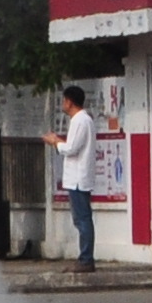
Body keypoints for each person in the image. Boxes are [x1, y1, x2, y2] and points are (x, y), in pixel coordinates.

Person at [53, 84, 103, 270]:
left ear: (69, 101)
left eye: (64, 100)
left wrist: (55, 142)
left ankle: (86, 258)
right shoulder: (82, 120)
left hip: (78, 178)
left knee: (82, 219)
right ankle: (85, 257)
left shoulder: (80, 120)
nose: (62, 104)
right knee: (80, 219)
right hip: (77, 176)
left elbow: (71, 148)